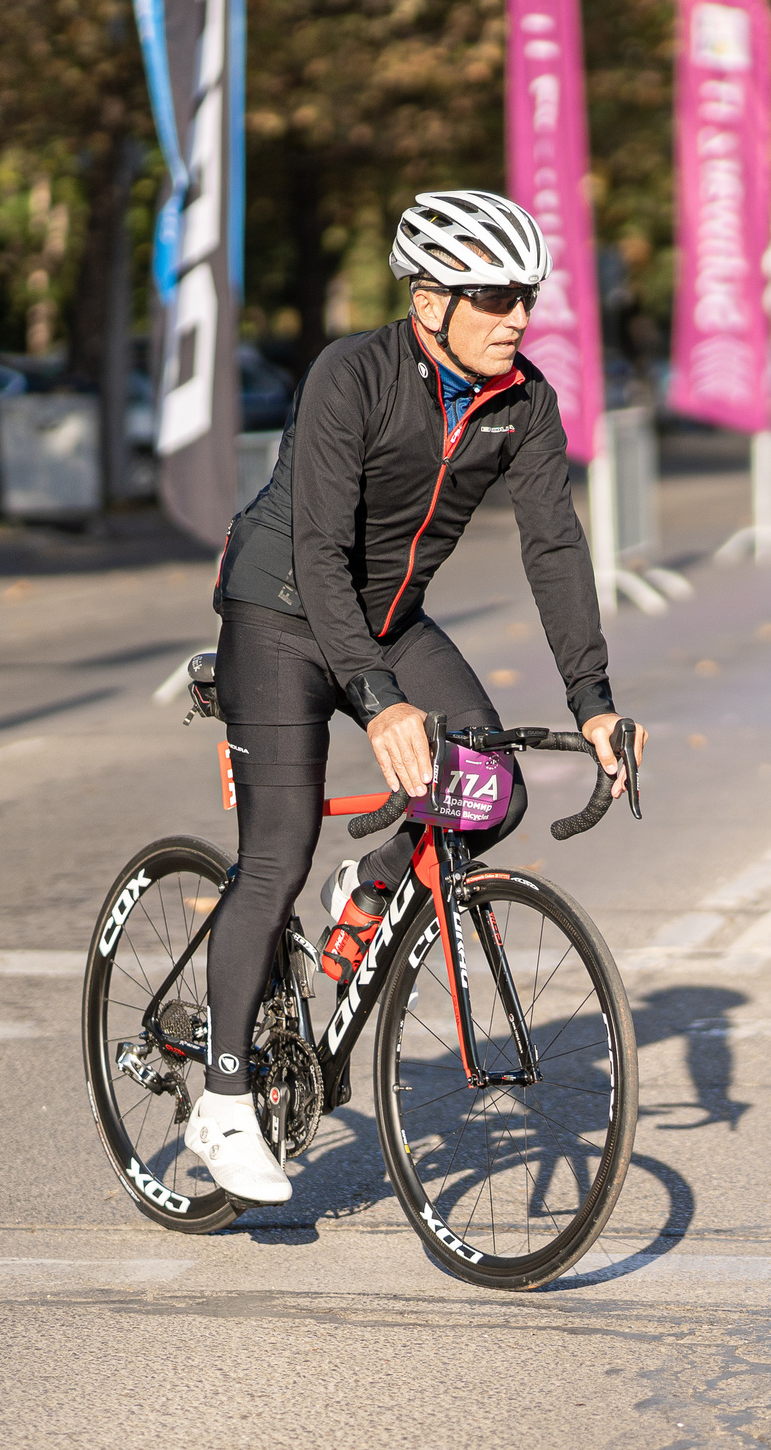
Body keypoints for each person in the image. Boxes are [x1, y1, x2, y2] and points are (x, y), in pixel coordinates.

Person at [184, 190, 641, 1203]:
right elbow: (316, 547)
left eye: (527, 295)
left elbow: (553, 547)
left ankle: (377, 887)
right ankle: (220, 1102)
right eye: (494, 297)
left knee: (493, 791)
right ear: (430, 298)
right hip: (281, 608)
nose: (518, 317)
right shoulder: (353, 373)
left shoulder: (521, 400)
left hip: (386, 614)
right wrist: (380, 703)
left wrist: (594, 700)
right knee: (280, 849)